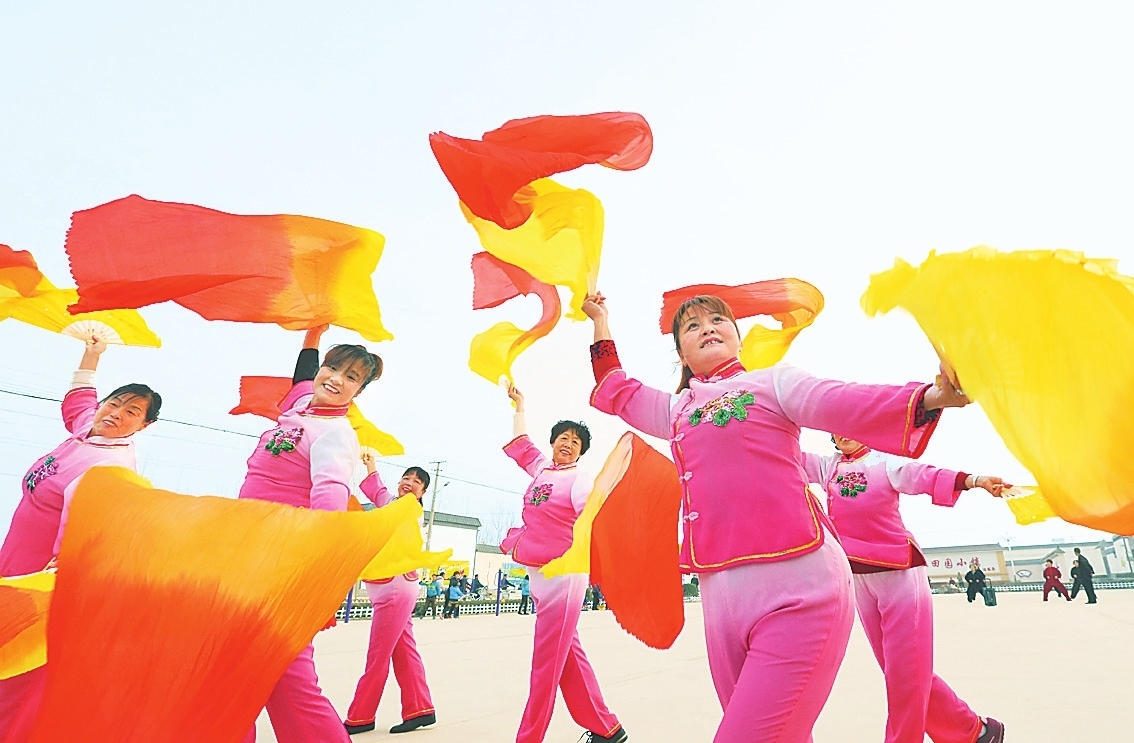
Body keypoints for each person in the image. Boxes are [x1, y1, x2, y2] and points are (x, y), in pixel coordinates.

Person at [582, 291, 972, 743]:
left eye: (717, 320)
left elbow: (842, 401)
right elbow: (616, 390)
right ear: (681, 355)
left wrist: (932, 397)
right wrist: (599, 320)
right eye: (692, 326)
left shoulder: (773, 383)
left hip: (800, 590)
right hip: (722, 602)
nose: (707, 328)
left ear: (737, 337)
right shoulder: (676, 411)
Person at [0, 337, 162, 742]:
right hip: (14, 558)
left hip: (42, 575)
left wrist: (60, 568)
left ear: (145, 426)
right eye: (114, 403)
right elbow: (79, 401)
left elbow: (93, 522)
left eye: (132, 412)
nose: (116, 414)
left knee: (19, 663)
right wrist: (92, 353)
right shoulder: (90, 430)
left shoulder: (109, 464)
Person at [803, 435, 1007, 743]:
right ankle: (975, 731)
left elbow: (924, 475)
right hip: (860, 577)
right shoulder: (827, 467)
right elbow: (782, 453)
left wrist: (974, 480)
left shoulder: (884, 462)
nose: (842, 433)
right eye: (835, 429)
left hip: (899, 573)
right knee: (900, 672)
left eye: (848, 425)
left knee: (906, 674)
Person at [238, 325, 381, 743]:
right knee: (241, 669)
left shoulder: (335, 434)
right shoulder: (301, 407)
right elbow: (302, 375)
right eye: (332, 368)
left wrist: (318, 581)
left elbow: (329, 511)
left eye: (350, 377)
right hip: (246, 555)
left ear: (358, 392)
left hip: (284, 566)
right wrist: (313, 333)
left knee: (290, 677)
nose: (335, 379)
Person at [501, 386, 626, 743]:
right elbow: (522, 445)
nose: (568, 444)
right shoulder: (542, 469)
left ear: (581, 451)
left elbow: (594, 517)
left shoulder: (579, 479)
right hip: (539, 573)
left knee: (545, 665)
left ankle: (529, 737)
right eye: (563, 438)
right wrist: (520, 406)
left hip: (564, 576)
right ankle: (607, 729)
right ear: (553, 442)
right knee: (568, 654)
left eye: (575, 441)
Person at [344, 458, 437, 736]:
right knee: (404, 650)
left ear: (422, 493)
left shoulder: (410, 509)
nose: (409, 483)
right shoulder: (393, 503)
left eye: (417, 482)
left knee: (378, 656)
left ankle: (361, 716)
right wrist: (371, 465)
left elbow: (382, 501)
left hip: (395, 588)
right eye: (406, 478)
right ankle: (421, 709)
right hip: (393, 586)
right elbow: (378, 491)